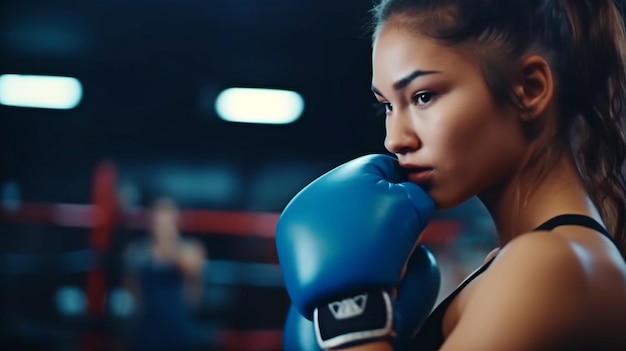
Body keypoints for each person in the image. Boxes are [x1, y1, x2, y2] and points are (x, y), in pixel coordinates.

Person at [276, 0, 626, 350]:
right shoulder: (527, 260)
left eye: (423, 96)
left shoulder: (549, 266)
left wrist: (353, 322)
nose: (394, 139)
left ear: (530, 88)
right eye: (387, 106)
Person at [123, 197, 206, 350]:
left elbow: (189, 267)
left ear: (177, 219)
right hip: (147, 327)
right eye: (158, 217)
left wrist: (166, 241)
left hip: (179, 328)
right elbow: (130, 282)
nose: (161, 222)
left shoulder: (191, 248)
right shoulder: (138, 249)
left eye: (167, 217)